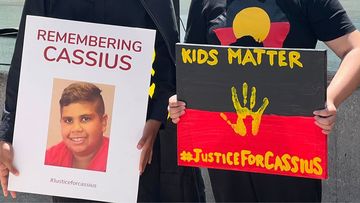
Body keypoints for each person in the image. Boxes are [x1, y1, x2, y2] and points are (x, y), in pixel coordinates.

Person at [0, 0, 204, 202]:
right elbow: (26, 55)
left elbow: (169, 64)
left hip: (135, 150)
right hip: (68, 177)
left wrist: (156, 119)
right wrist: (7, 135)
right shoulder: (57, 152)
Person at [169, 0, 360, 202]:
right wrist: (181, 98)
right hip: (226, 153)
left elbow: (355, 50)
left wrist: (330, 98)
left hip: (291, 153)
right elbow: (192, 66)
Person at [45, 82, 109, 172]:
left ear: (103, 122)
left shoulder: (118, 158)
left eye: (85, 119)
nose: (76, 129)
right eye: (68, 120)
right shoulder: (49, 158)